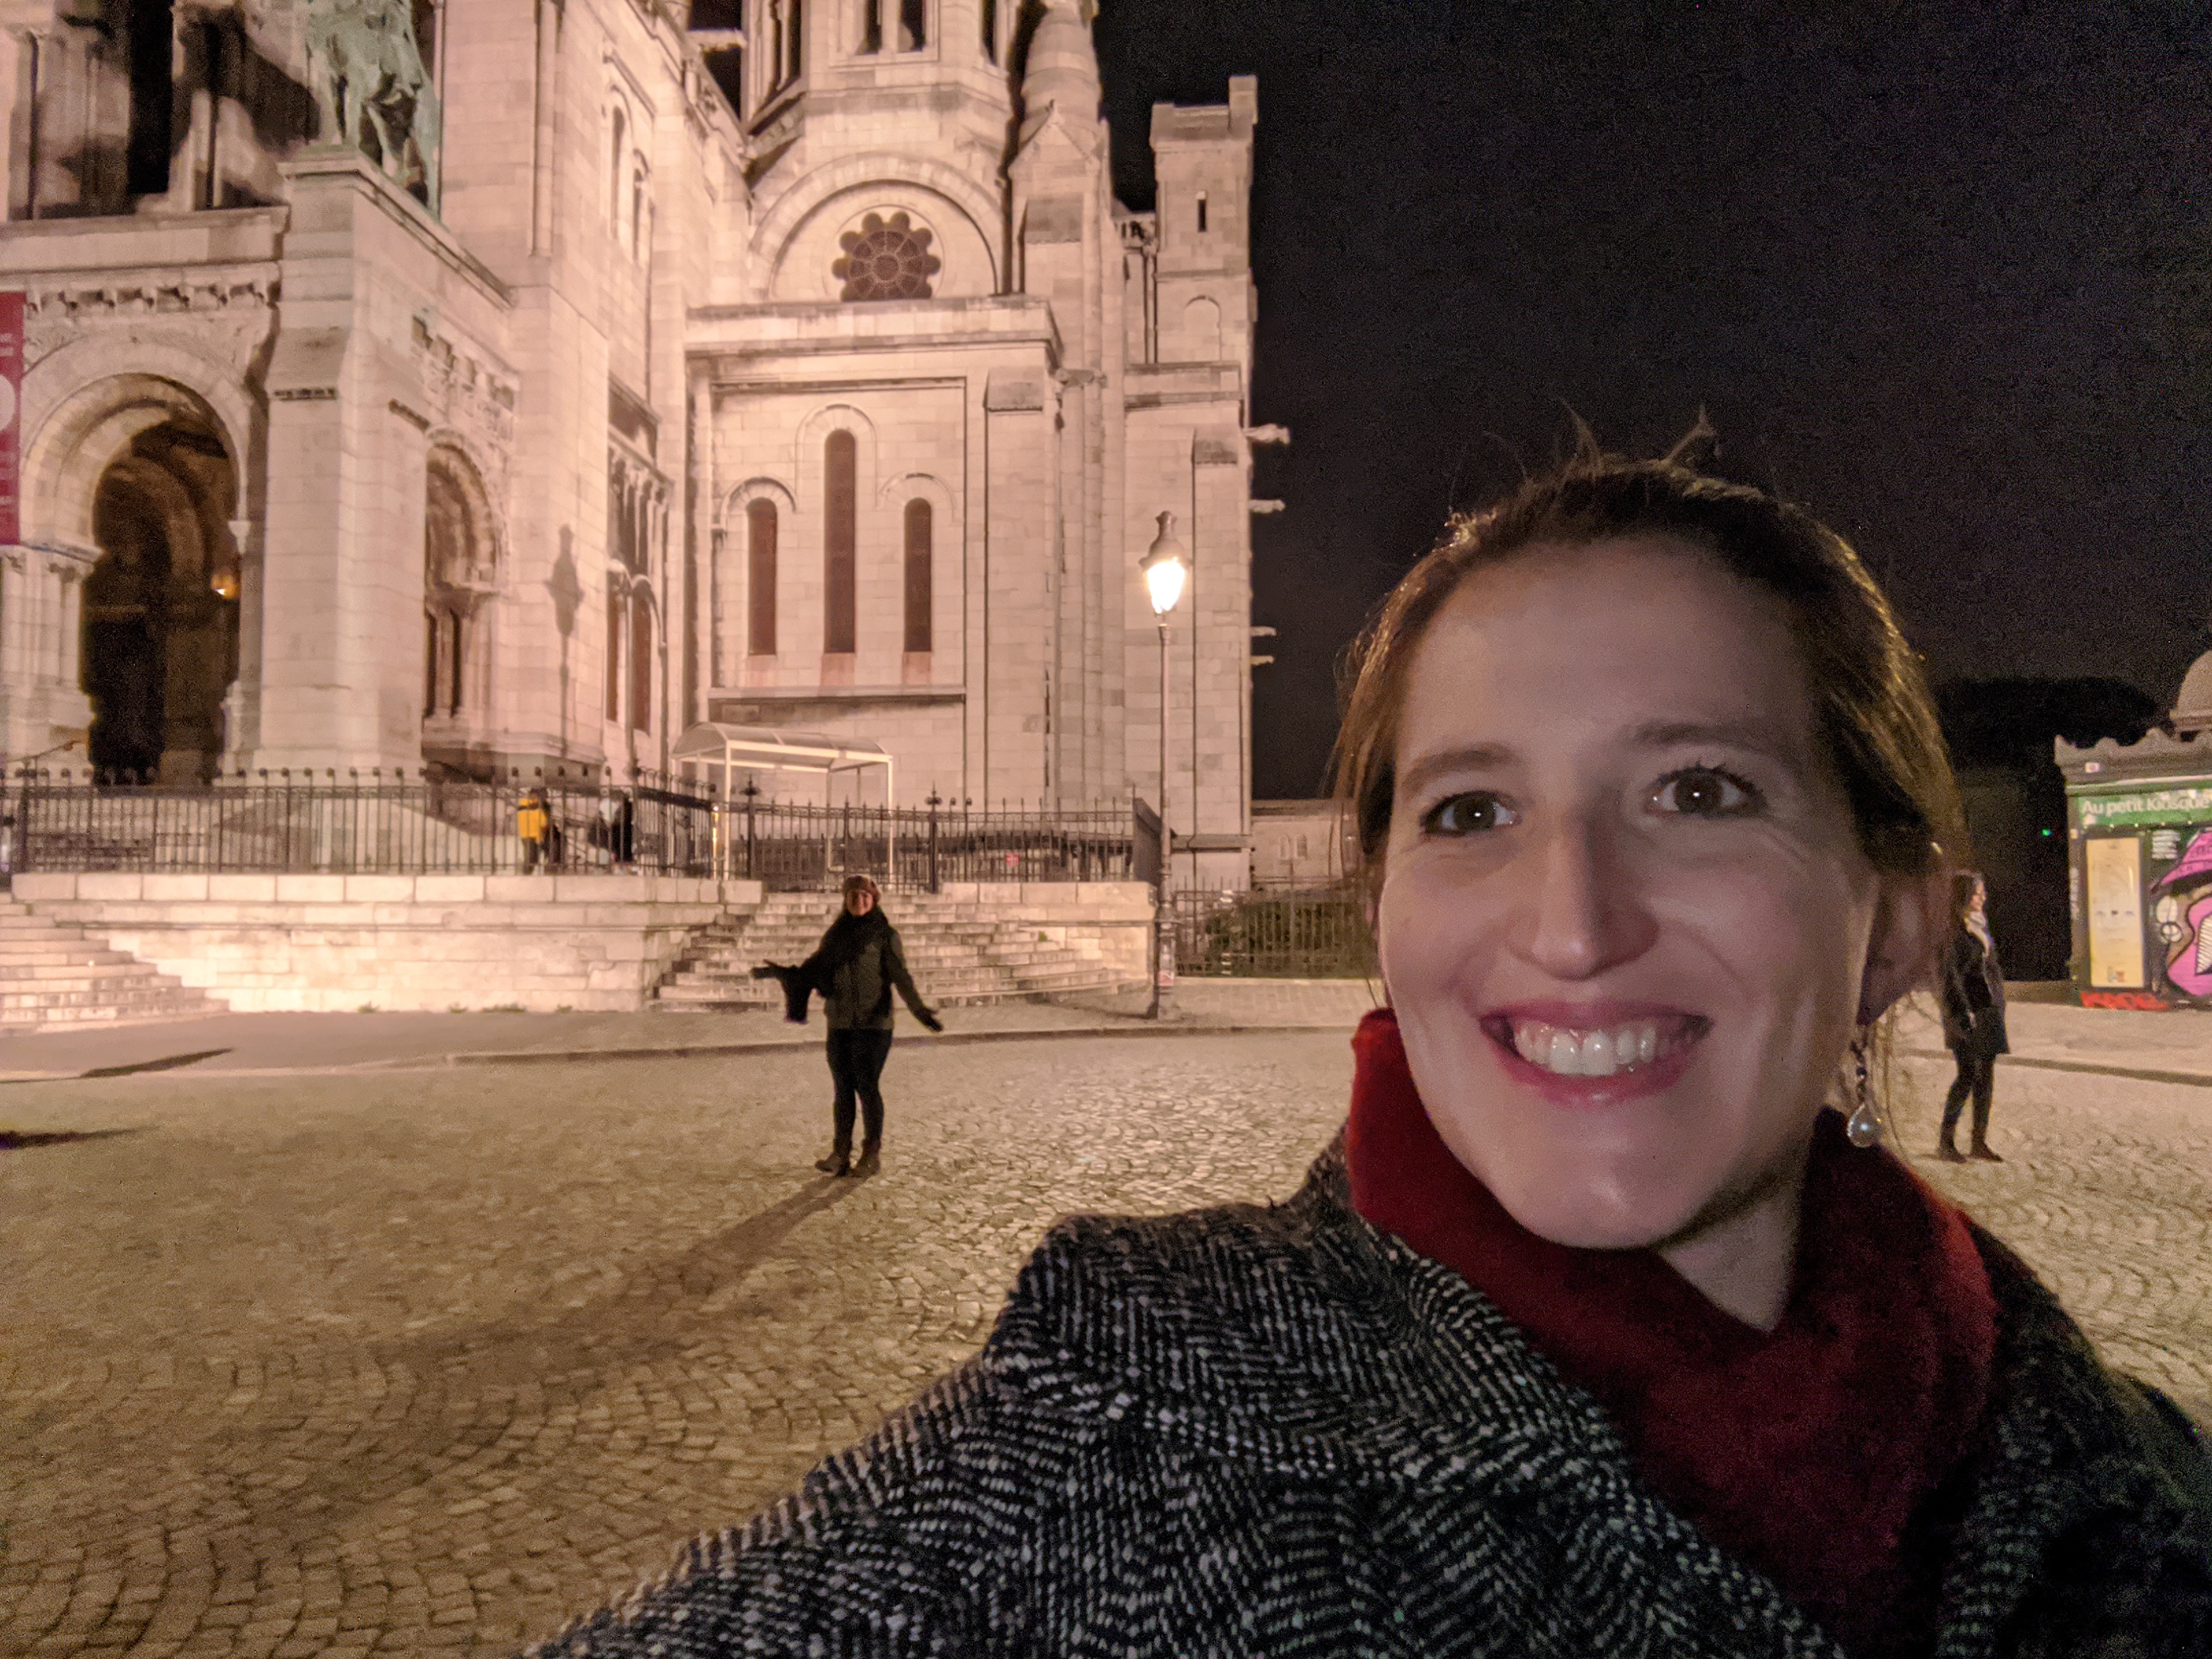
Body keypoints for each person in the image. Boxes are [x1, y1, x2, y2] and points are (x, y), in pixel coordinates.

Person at [527, 445, 2211, 1658]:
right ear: (1386, 909)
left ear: (1903, 921)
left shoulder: (2136, 1493)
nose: (1570, 918)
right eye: (1470, 808)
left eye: (1698, 790)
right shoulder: (1094, 1444)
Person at [794, 873, 940, 1179]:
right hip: (840, 1023)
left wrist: (920, 1011)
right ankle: (840, 1153)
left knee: (867, 1086)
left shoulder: (885, 935)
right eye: (853, 897)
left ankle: (871, 1154)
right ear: (845, 901)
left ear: (873, 900)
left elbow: (901, 977)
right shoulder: (834, 935)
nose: (858, 901)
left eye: (864, 896)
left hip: (874, 1025)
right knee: (843, 1089)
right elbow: (818, 970)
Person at [1938, 872, 2009, 1163]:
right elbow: (1950, 978)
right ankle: (1946, 1142)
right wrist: (1960, 1013)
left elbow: (1990, 970)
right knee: (1967, 1074)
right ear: (1963, 896)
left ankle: (1979, 1141)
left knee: (1986, 1078)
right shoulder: (1953, 932)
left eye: (1983, 893)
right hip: (1965, 1014)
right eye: (1977, 893)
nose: (1983, 898)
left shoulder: (1981, 927)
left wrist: (1999, 1005)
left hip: (1989, 1012)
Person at [516, 786, 550, 874]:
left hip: (524, 834)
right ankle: (526, 874)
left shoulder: (522, 806)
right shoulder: (536, 808)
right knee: (533, 858)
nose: (544, 799)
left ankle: (526, 872)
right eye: (544, 796)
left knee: (529, 857)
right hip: (535, 835)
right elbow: (544, 822)